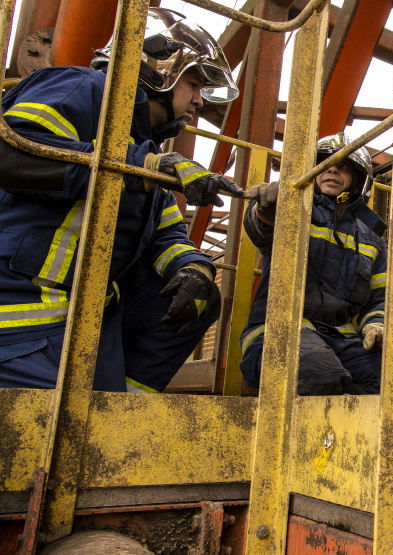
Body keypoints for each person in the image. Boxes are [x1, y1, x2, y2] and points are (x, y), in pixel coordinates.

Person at [0, 8, 243, 392]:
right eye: (193, 84)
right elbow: (12, 154)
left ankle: (125, 402)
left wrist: (195, 268)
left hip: (87, 315)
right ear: (159, 70)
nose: (198, 101)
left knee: (200, 298)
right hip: (20, 309)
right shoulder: (84, 87)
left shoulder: (146, 153)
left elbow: (167, 236)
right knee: (63, 440)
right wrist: (139, 166)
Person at [240, 134, 387, 395]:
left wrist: (375, 324)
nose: (332, 168)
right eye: (324, 163)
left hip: (341, 337)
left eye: (343, 166)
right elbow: (260, 229)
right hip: (278, 328)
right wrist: (268, 210)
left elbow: (378, 299)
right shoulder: (293, 209)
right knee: (321, 374)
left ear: (359, 181)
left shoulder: (372, 240)